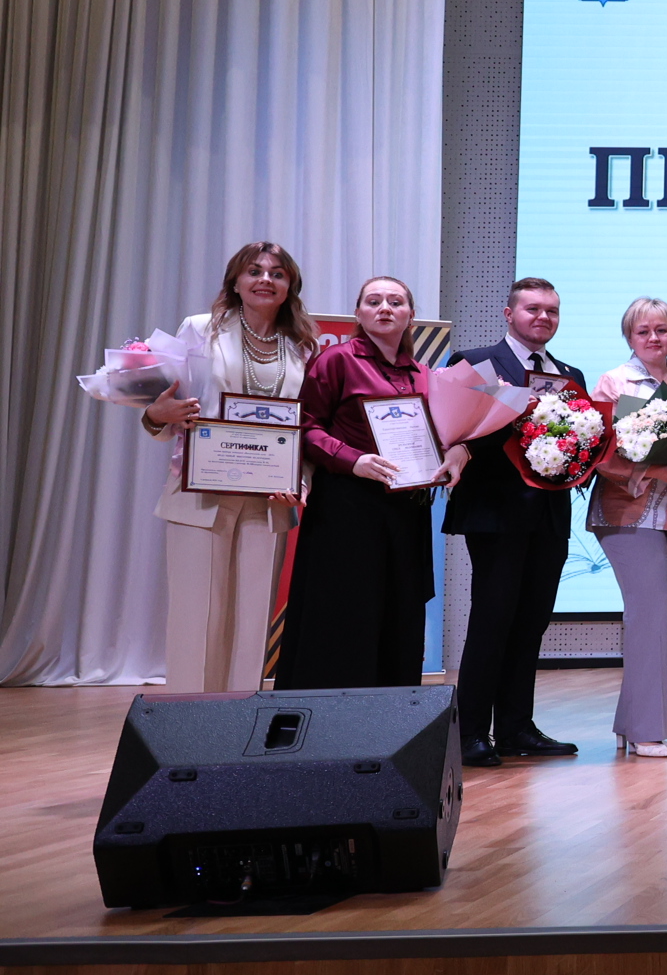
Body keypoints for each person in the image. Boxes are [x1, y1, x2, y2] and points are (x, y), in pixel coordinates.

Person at [139, 242, 315, 693]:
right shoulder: (200, 329)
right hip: (200, 491)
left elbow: (305, 426)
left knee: (252, 620)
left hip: (269, 498)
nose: (265, 280)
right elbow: (163, 408)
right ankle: (187, 721)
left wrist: (299, 481)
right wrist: (158, 415)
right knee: (196, 615)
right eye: (254, 271)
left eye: (277, 273)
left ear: (289, 286)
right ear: (235, 281)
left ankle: (239, 719)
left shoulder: (302, 347)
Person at [281, 277, 458, 688]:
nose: (385, 308)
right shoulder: (336, 360)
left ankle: (391, 714)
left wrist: (456, 450)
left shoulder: (423, 374)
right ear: (358, 313)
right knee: (344, 613)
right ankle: (332, 713)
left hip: (406, 512)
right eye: (374, 301)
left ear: (410, 315)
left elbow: (442, 433)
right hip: (347, 507)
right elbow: (305, 427)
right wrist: (353, 459)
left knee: (400, 612)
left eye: (395, 302)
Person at [439, 277, 585, 768]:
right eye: (533, 309)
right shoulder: (475, 363)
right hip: (496, 513)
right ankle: (470, 733)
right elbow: (458, 430)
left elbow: (579, 442)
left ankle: (517, 727)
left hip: (550, 514)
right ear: (509, 314)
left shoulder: (569, 374)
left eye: (551, 311)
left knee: (531, 622)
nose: (543, 318)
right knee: (492, 619)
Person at [588, 298, 667, 758]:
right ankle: (647, 731)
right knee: (650, 614)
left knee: (664, 620)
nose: (654, 338)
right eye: (643, 331)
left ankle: (630, 721)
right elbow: (601, 454)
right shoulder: (614, 382)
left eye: (662, 330)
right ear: (629, 337)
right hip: (627, 512)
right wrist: (660, 473)